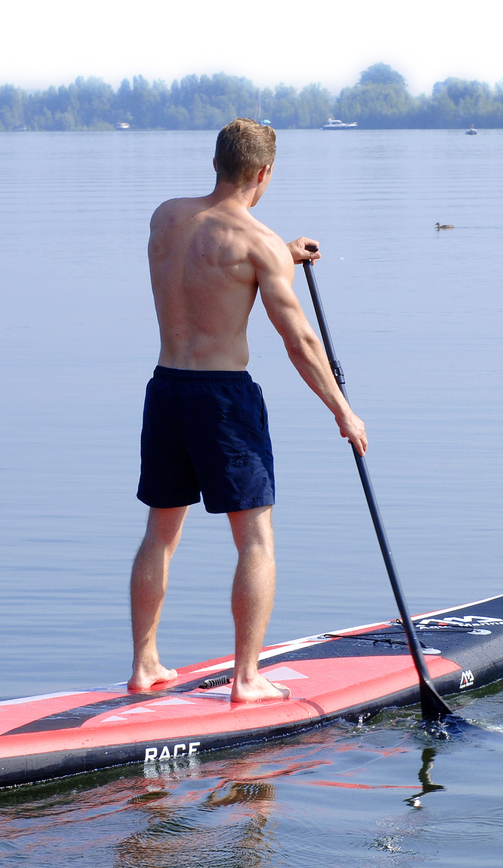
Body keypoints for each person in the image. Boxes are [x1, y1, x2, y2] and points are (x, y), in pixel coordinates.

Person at [129, 118, 368, 703]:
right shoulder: (257, 243)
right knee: (256, 540)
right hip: (221, 400)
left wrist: (276, 258)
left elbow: (204, 261)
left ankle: (144, 665)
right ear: (264, 174)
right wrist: (343, 410)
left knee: (160, 533)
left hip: (166, 390)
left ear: (215, 163)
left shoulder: (165, 217)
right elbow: (300, 342)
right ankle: (246, 678)